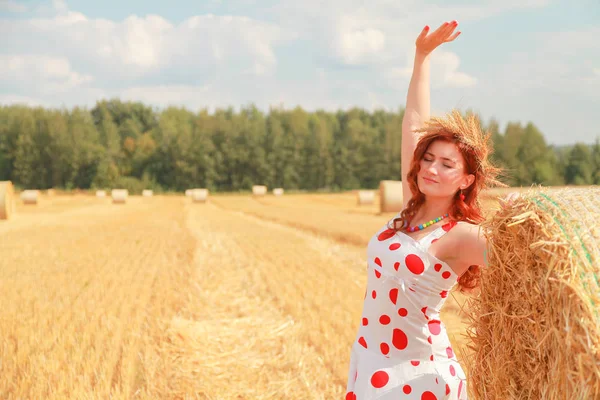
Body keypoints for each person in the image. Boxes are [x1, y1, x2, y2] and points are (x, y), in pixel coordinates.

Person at [345, 20, 506, 399]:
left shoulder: (459, 235)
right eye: (428, 159)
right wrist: (422, 57)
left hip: (418, 377)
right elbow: (414, 124)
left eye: (447, 165)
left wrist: (519, 220)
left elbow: (523, 261)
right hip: (372, 361)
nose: (431, 168)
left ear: (466, 180)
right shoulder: (410, 208)